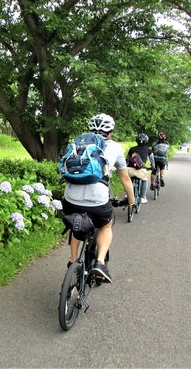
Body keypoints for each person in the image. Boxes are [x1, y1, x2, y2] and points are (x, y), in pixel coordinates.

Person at [61, 113, 135, 283]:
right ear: (111, 132)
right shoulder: (115, 147)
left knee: (75, 223)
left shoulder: (78, 143)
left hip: (71, 197)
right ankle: (100, 264)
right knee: (106, 224)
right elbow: (125, 178)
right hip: (98, 199)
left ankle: (73, 260)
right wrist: (131, 200)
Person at [126, 133, 155, 204]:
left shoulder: (132, 149)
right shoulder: (148, 150)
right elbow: (152, 159)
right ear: (146, 141)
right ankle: (142, 197)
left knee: (128, 179)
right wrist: (152, 166)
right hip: (141, 170)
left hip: (130, 170)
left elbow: (127, 159)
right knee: (145, 179)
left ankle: (127, 194)